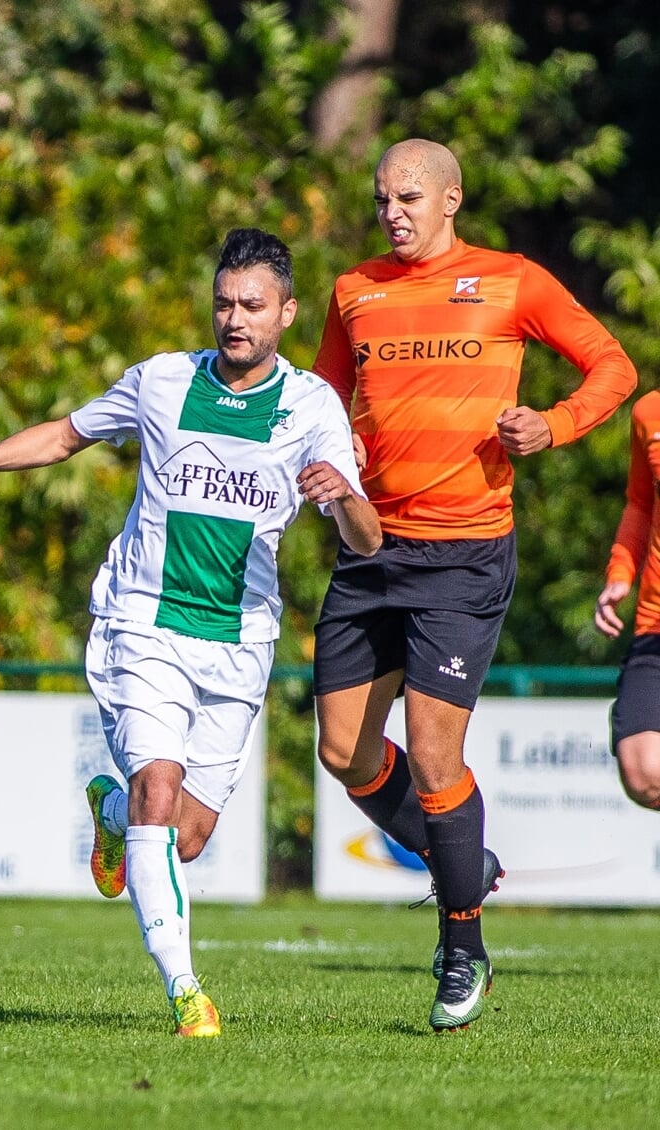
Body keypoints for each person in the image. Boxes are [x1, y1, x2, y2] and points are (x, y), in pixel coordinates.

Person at [0, 229, 380, 1038]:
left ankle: (111, 816)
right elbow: (69, 433)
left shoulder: (313, 405)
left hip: (239, 639)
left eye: (253, 306)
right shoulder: (163, 380)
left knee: (183, 833)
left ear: (287, 313)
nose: (234, 319)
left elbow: (366, 540)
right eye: (223, 302)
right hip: (141, 620)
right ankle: (187, 994)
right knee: (159, 784)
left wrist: (344, 497)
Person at [310, 139, 636, 1030]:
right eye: (382, 199)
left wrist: (555, 425)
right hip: (370, 547)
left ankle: (464, 948)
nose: (393, 212)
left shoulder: (513, 280)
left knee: (437, 751)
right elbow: (319, 407)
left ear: (451, 199)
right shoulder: (353, 291)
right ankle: (462, 856)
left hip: (464, 553)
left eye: (409, 197)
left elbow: (613, 365)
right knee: (344, 753)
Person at [594, 389, 660, 810]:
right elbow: (640, 503)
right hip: (655, 623)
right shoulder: (649, 411)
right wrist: (621, 572)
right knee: (644, 774)